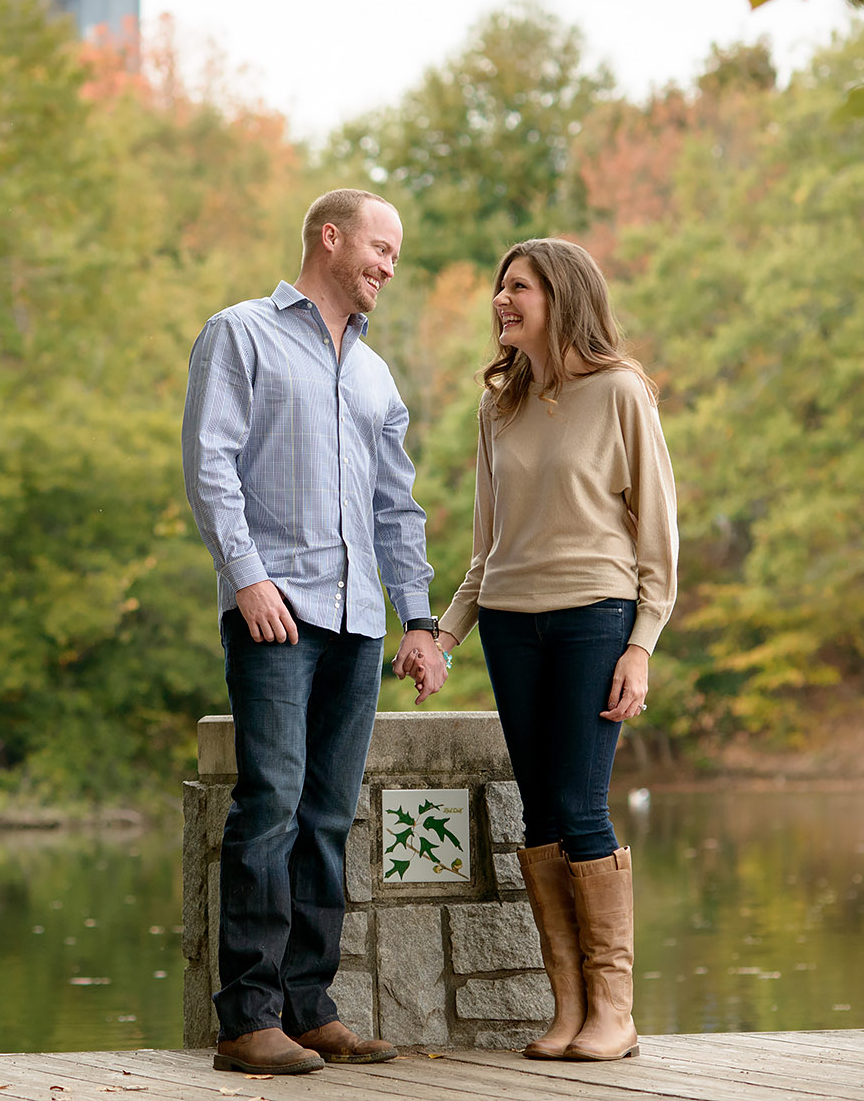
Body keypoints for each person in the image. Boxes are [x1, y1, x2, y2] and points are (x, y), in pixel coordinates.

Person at [181, 189, 447, 1076]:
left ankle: (308, 1004)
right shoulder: (240, 333)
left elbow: (395, 506)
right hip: (277, 611)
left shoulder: (375, 373)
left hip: (358, 622)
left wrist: (419, 617)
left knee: (328, 816)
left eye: (397, 257)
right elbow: (210, 462)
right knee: (272, 807)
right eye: (380, 248)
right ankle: (247, 1017)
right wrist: (247, 576)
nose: (388, 266)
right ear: (329, 238)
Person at [433, 237, 677, 1063]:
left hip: (593, 618)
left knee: (579, 806)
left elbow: (659, 539)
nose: (503, 300)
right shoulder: (496, 406)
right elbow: (485, 546)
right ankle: (569, 1009)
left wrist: (640, 644)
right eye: (500, 287)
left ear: (562, 296)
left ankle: (616, 1009)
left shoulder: (619, 392)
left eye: (520, 287)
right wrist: (445, 633)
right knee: (539, 814)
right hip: (510, 621)